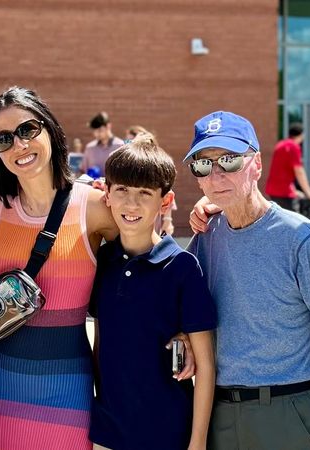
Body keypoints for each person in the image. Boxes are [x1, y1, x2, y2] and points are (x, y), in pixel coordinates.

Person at [184, 111, 310, 450]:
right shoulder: (206, 237)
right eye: (204, 165)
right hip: (220, 414)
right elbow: (176, 298)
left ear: (257, 165)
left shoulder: (300, 239)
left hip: (290, 412)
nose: (216, 174)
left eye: (229, 160)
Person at [0, 86, 118, 449]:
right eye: (3, 139)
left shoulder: (97, 206)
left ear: (49, 129)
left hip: (68, 391)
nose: (19, 145)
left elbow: (142, 274)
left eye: (27, 130)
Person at [89, 134, 216, 450]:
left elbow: (206, 365)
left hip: (168, 431)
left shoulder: (184, 267)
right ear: (107, 194)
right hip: (108, 430)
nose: (131, 204)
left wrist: (197, 442)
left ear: (165, 201)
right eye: (122, 190)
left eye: (144, 193)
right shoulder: (102, 261)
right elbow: (101, 341)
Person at [125, 125, 177, 235]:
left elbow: (167, 193)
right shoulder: (127, 165)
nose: (127, 145)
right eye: (126, 141)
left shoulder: (158, 165)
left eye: (130, 141)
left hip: (151, 214)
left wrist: (168, 221)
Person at [264, 122, 310, 212]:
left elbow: (282, 171)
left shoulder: (280, 145)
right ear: (301, 135)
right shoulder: (293, 146)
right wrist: (309, 193)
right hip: (284, 193)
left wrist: (295, 191)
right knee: (293, 222)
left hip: (274, 190)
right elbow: (299, 171)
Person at [81, 111, 124, 177]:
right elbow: (83, 171)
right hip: (92, 187)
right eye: (94, 131)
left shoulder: (120, 146)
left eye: (100, 130)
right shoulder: (90, 148)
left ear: (108, 126)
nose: (96, 134)